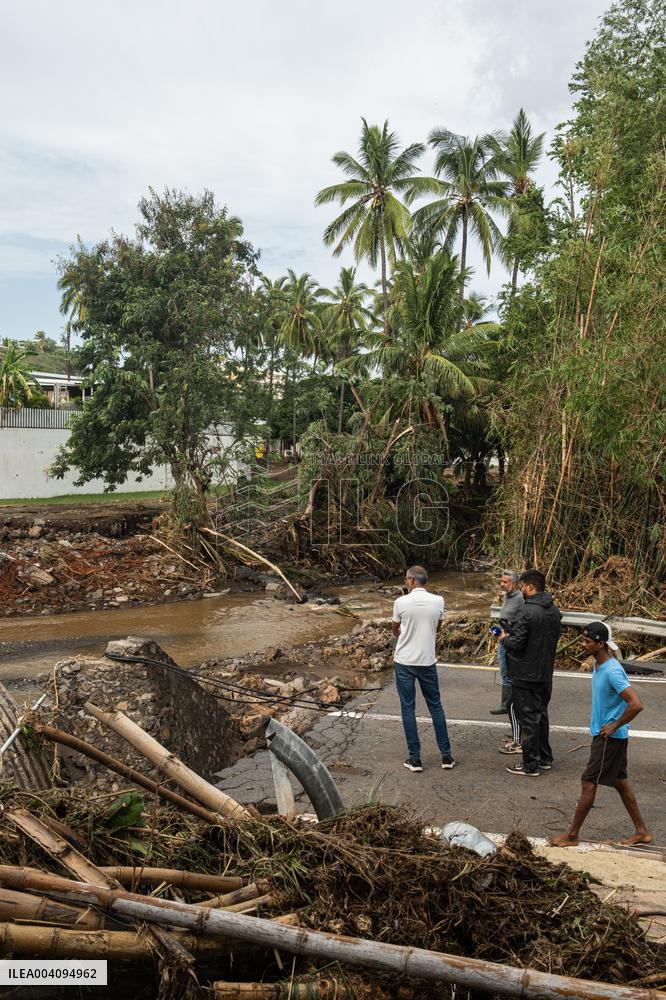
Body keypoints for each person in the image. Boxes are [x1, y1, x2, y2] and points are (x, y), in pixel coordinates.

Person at [549, 622, 652, 847]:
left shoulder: (613, 671)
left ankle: (572, 835)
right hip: (608, 735)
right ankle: (642, 831)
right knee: (620, 782)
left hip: (609, 738)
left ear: (601, 644)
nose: (583, 644)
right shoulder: (598, 664)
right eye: (583, 639)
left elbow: (636, 704)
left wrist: (614, 726)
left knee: (588, 782)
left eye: (588, 641)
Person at [391, 565, 455, 772]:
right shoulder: (438, 601)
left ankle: (415, 759)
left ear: (410, 580)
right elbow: (437, 626)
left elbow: (395, 630)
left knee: (408, 708)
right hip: (427, 661)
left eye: (406, 580)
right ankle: (446, 756)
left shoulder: (400, 602)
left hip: (404, 661)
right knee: (435, 706)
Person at [499, 569, 561, 776]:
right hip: (545, 672)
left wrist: (504, 638)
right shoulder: (553, 610)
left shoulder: (527, 612)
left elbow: (516, 643)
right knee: (541, 715)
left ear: (530, 587)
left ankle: (530, 764)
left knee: (528, 719)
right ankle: (544, 758)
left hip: (525, 674)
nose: (521, 590)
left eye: (523, 586)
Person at [491, 570, 524, 719]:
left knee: (509, 673)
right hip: (502, 638)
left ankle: (507, 704)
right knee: (505, 672)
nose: (502, 584)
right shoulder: (507, 596)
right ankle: (506, 704)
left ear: (514, 584)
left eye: (505, 582)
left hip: (511, 641)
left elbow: (523, 620)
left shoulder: (520, 598)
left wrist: (511, 634)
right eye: (501, 581)